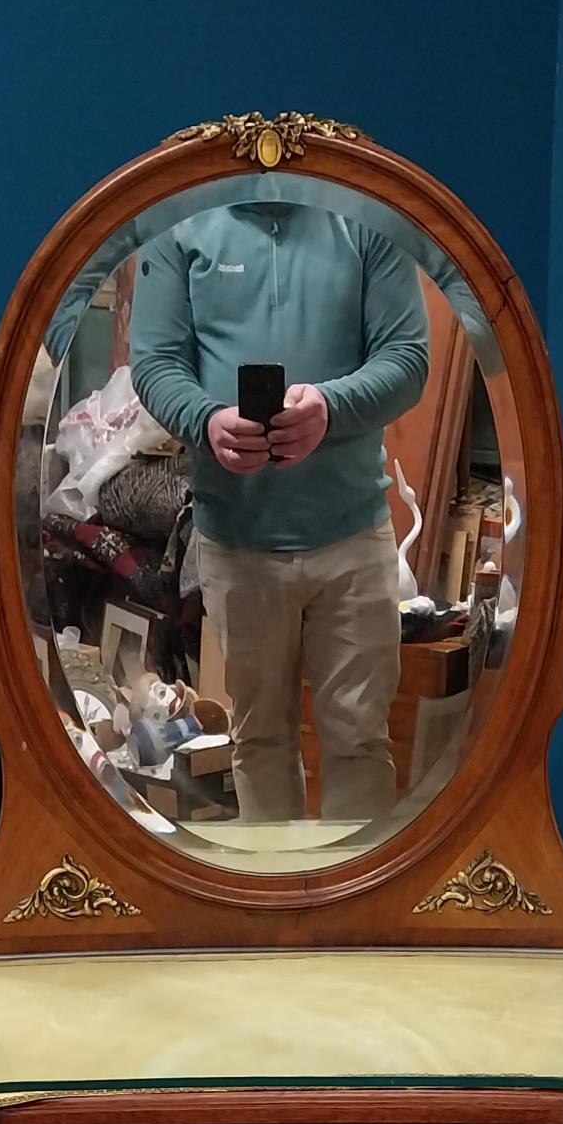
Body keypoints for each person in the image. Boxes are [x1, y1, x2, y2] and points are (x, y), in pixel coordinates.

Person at [130, 200, 428, 825]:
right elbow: (154, 362)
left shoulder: (369, 214)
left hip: (351, 536)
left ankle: (354, 920)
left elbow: (407, 357)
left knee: (359, 743)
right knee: (259, 742)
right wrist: (205, 420)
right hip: (238, 539)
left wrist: (329, 406)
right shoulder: (179, 219)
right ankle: (273, 916)